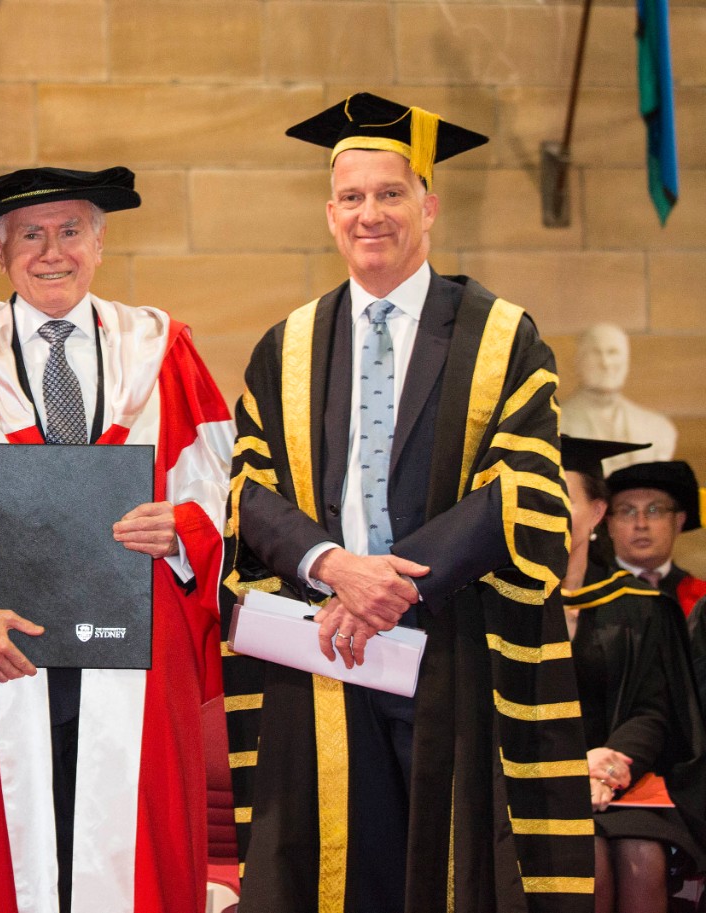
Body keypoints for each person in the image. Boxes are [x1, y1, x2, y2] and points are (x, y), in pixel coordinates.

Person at [220, 93, 595, 913]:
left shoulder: (501, 336)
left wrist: (390, 583)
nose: (371, 214)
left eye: (391, 193)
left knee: (452, 871)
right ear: (329, 215)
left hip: (454, 643)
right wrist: (336, 568)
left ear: (428, 205)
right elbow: (250, 489)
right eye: (352, 197)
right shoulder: (286, 346)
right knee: (332, 872)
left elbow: (522, 487)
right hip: (323, 646)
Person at [0, 166, 233, 913]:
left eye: (71, 231)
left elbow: (222, 485)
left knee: (132, 852)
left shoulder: (162, 349)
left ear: (101, 242)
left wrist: (181, 529)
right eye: (31, 234)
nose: (52, 252)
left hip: (135, 654)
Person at [558, 436, 706, 913]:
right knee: (590, 858)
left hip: (621, 775)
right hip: (535, 775)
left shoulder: (637, 607)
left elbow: (652, 708)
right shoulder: (496, 605)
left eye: (563, 498)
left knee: (642, 853)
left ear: (596, 512)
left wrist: (610, 765)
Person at [559, 323, 676, 470]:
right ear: (578, 361)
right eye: (596, 353)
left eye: (613, 352)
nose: (606, 363)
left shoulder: (658, 428)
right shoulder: (554, 423)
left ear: (626, 361)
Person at [605, 459, 706, 619]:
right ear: (610, 524)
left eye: (654, 510)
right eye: (627, 511)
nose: (641, 524)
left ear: (678, 521)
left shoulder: (701, 597)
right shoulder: (588, 595)